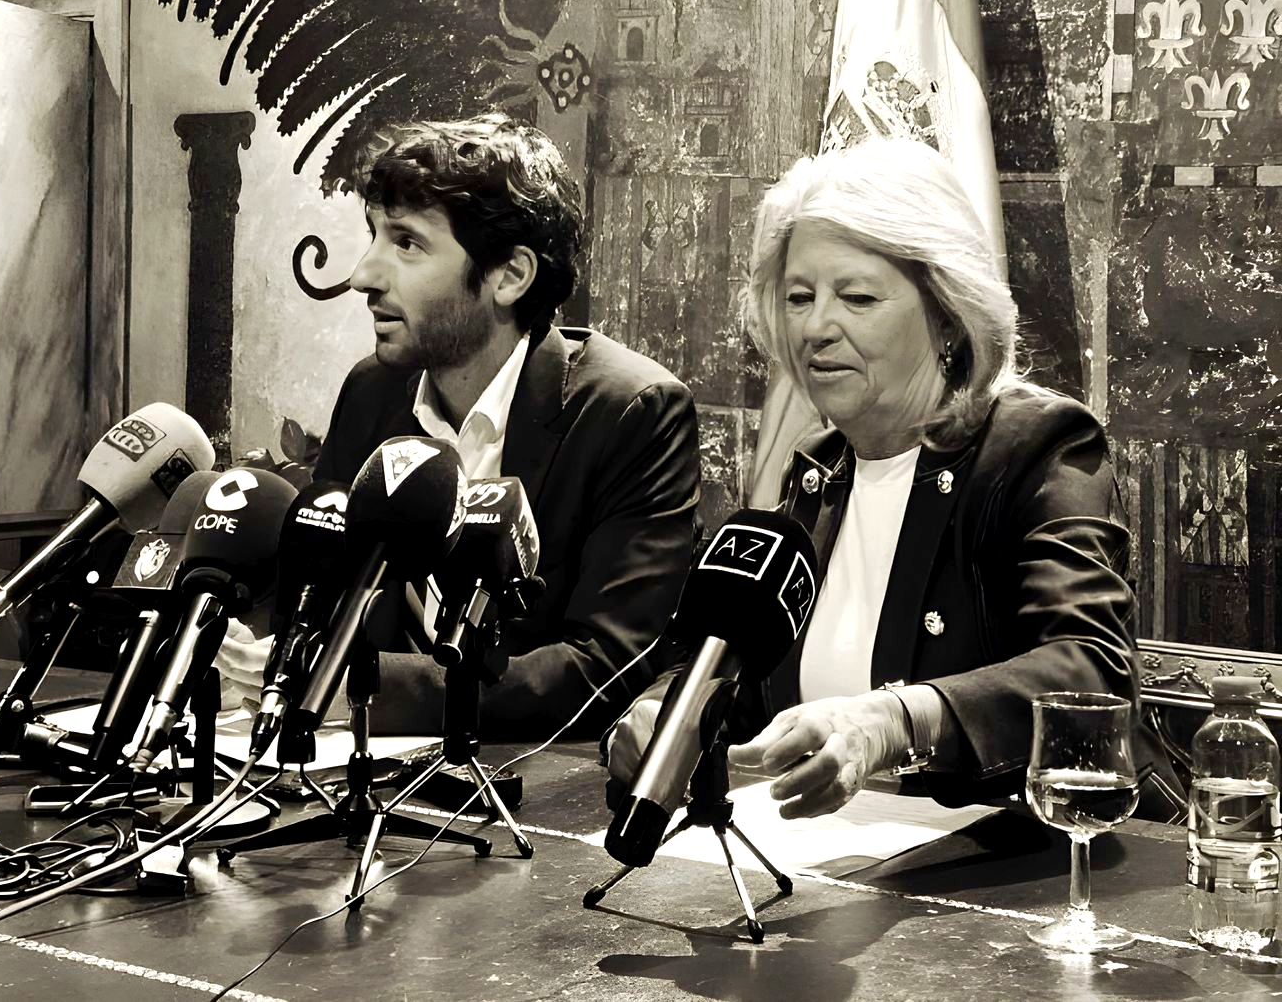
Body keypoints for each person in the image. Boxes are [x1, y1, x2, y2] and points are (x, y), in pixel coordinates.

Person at [606, 137, 1166, 816]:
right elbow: (746, 681)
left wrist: (896, 721)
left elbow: (1091, 673)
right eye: (799, 297)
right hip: (839, 866)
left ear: (948, 316)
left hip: (1042, 856)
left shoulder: (1038, 446)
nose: (816, 327)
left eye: (858, 297)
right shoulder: (817, 471)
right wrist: (663, 715)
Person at [220, 114, 699, 738]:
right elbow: (323, 599)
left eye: (406, 243)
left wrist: (359, 687)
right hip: (354, 776)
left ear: (510, 275)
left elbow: (603, 671)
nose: (364, 275)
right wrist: (255, 656)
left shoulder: (633, 411)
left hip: (534, 786)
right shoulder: (371, 393)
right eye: (374, 236)